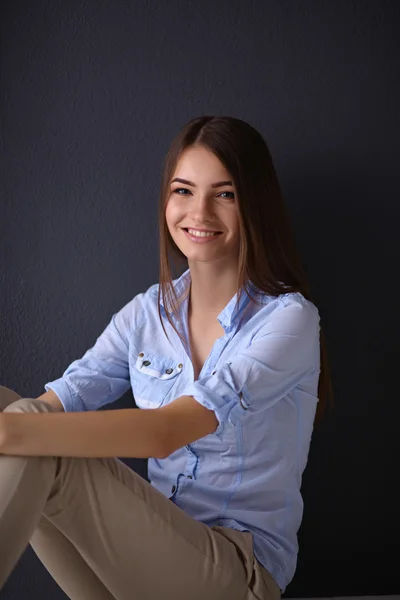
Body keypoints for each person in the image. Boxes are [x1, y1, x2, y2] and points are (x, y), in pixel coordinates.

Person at [0, 115, 332, 600]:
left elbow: (166, 431)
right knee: (14, 407)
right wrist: (14, 423)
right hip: (139, 566)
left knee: (23, 425)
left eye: (225, 194)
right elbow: (60, 401)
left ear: (255, 204)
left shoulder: (289, 320)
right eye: (183, 190)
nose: (199, 212)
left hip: (237, 574)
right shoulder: (146, 314)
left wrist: (13, 428)